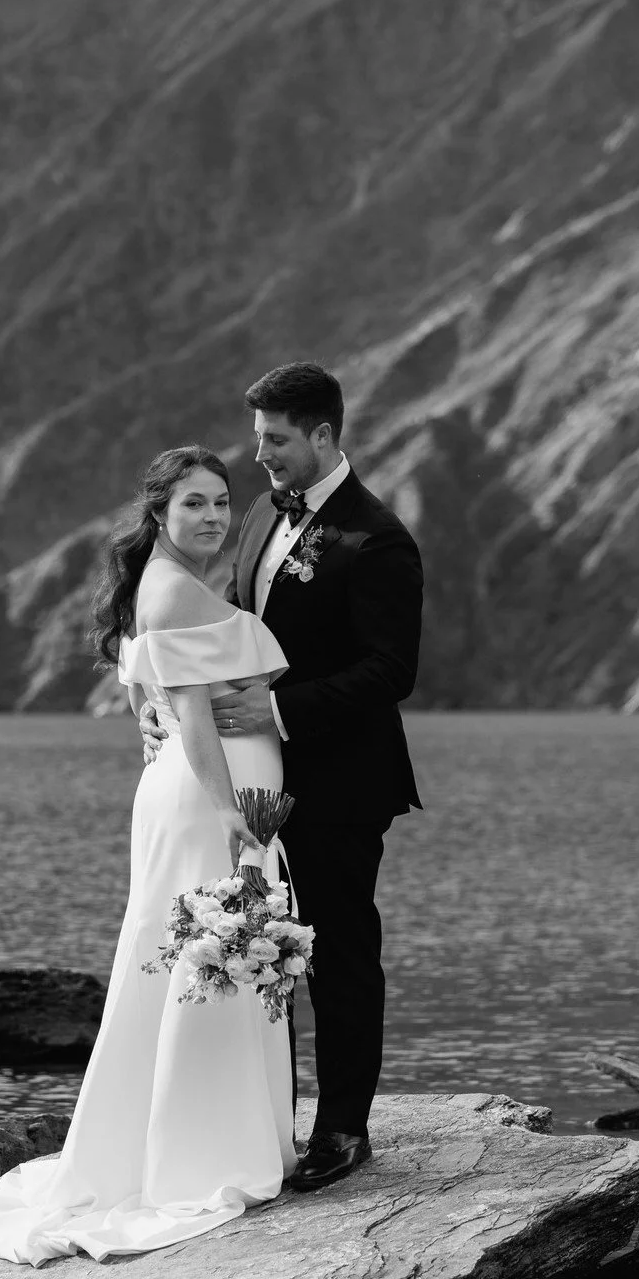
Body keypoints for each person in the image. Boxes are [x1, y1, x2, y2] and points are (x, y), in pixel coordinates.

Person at [0, 446, 297, 1265]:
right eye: (193, 504)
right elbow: (194, 717)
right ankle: (198, 1152)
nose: (213, 517)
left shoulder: (168, 582)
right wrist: (233, 820)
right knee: (203, 955)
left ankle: (187, 1137)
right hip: (208, 800)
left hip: (198, 791)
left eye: (221, 501)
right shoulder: (176, 590)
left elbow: (150, 686)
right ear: (159, 513)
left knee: (191, 957)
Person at [142, 362, 423, 1190]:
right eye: (258, 436)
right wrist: (164, 701)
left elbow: (391, 671)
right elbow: (218, 638)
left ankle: (343, 1130)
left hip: (338, 780)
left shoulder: (378, 539)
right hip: (249, 784)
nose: (258, 456)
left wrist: (281, 713)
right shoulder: (264, 514)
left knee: (338, 950)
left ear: (324, 435)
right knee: (258, 948)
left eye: (275, 439)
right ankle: (268, 1124)